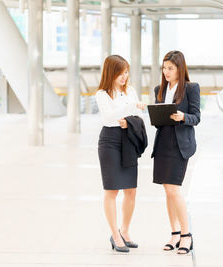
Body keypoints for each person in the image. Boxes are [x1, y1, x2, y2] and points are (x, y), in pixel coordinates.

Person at [95, 55, 146, 253]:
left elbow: (139, 117)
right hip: (109, 141)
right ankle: (115, 235)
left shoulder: (130, 91)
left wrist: (128, 118)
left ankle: (124, 231)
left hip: (128, 140)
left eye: (126, 72)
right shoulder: (102, 94)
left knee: (131, 190)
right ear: (111, 72)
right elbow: (108, 118)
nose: (124, 76)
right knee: (111, 191)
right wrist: (129, 109)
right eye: (120, 72)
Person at [151, 50, 201, 254]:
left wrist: (183, 117)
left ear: (180, 68)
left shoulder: (191, 88)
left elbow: (196, 117)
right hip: (163, 142)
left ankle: (186, 235)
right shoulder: (159, 89)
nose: (166, 72)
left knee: (174, 190)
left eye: (170, 68)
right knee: (167, 191)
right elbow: (158, 120)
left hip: (180, 145)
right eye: (164, 68)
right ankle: (174, 233)